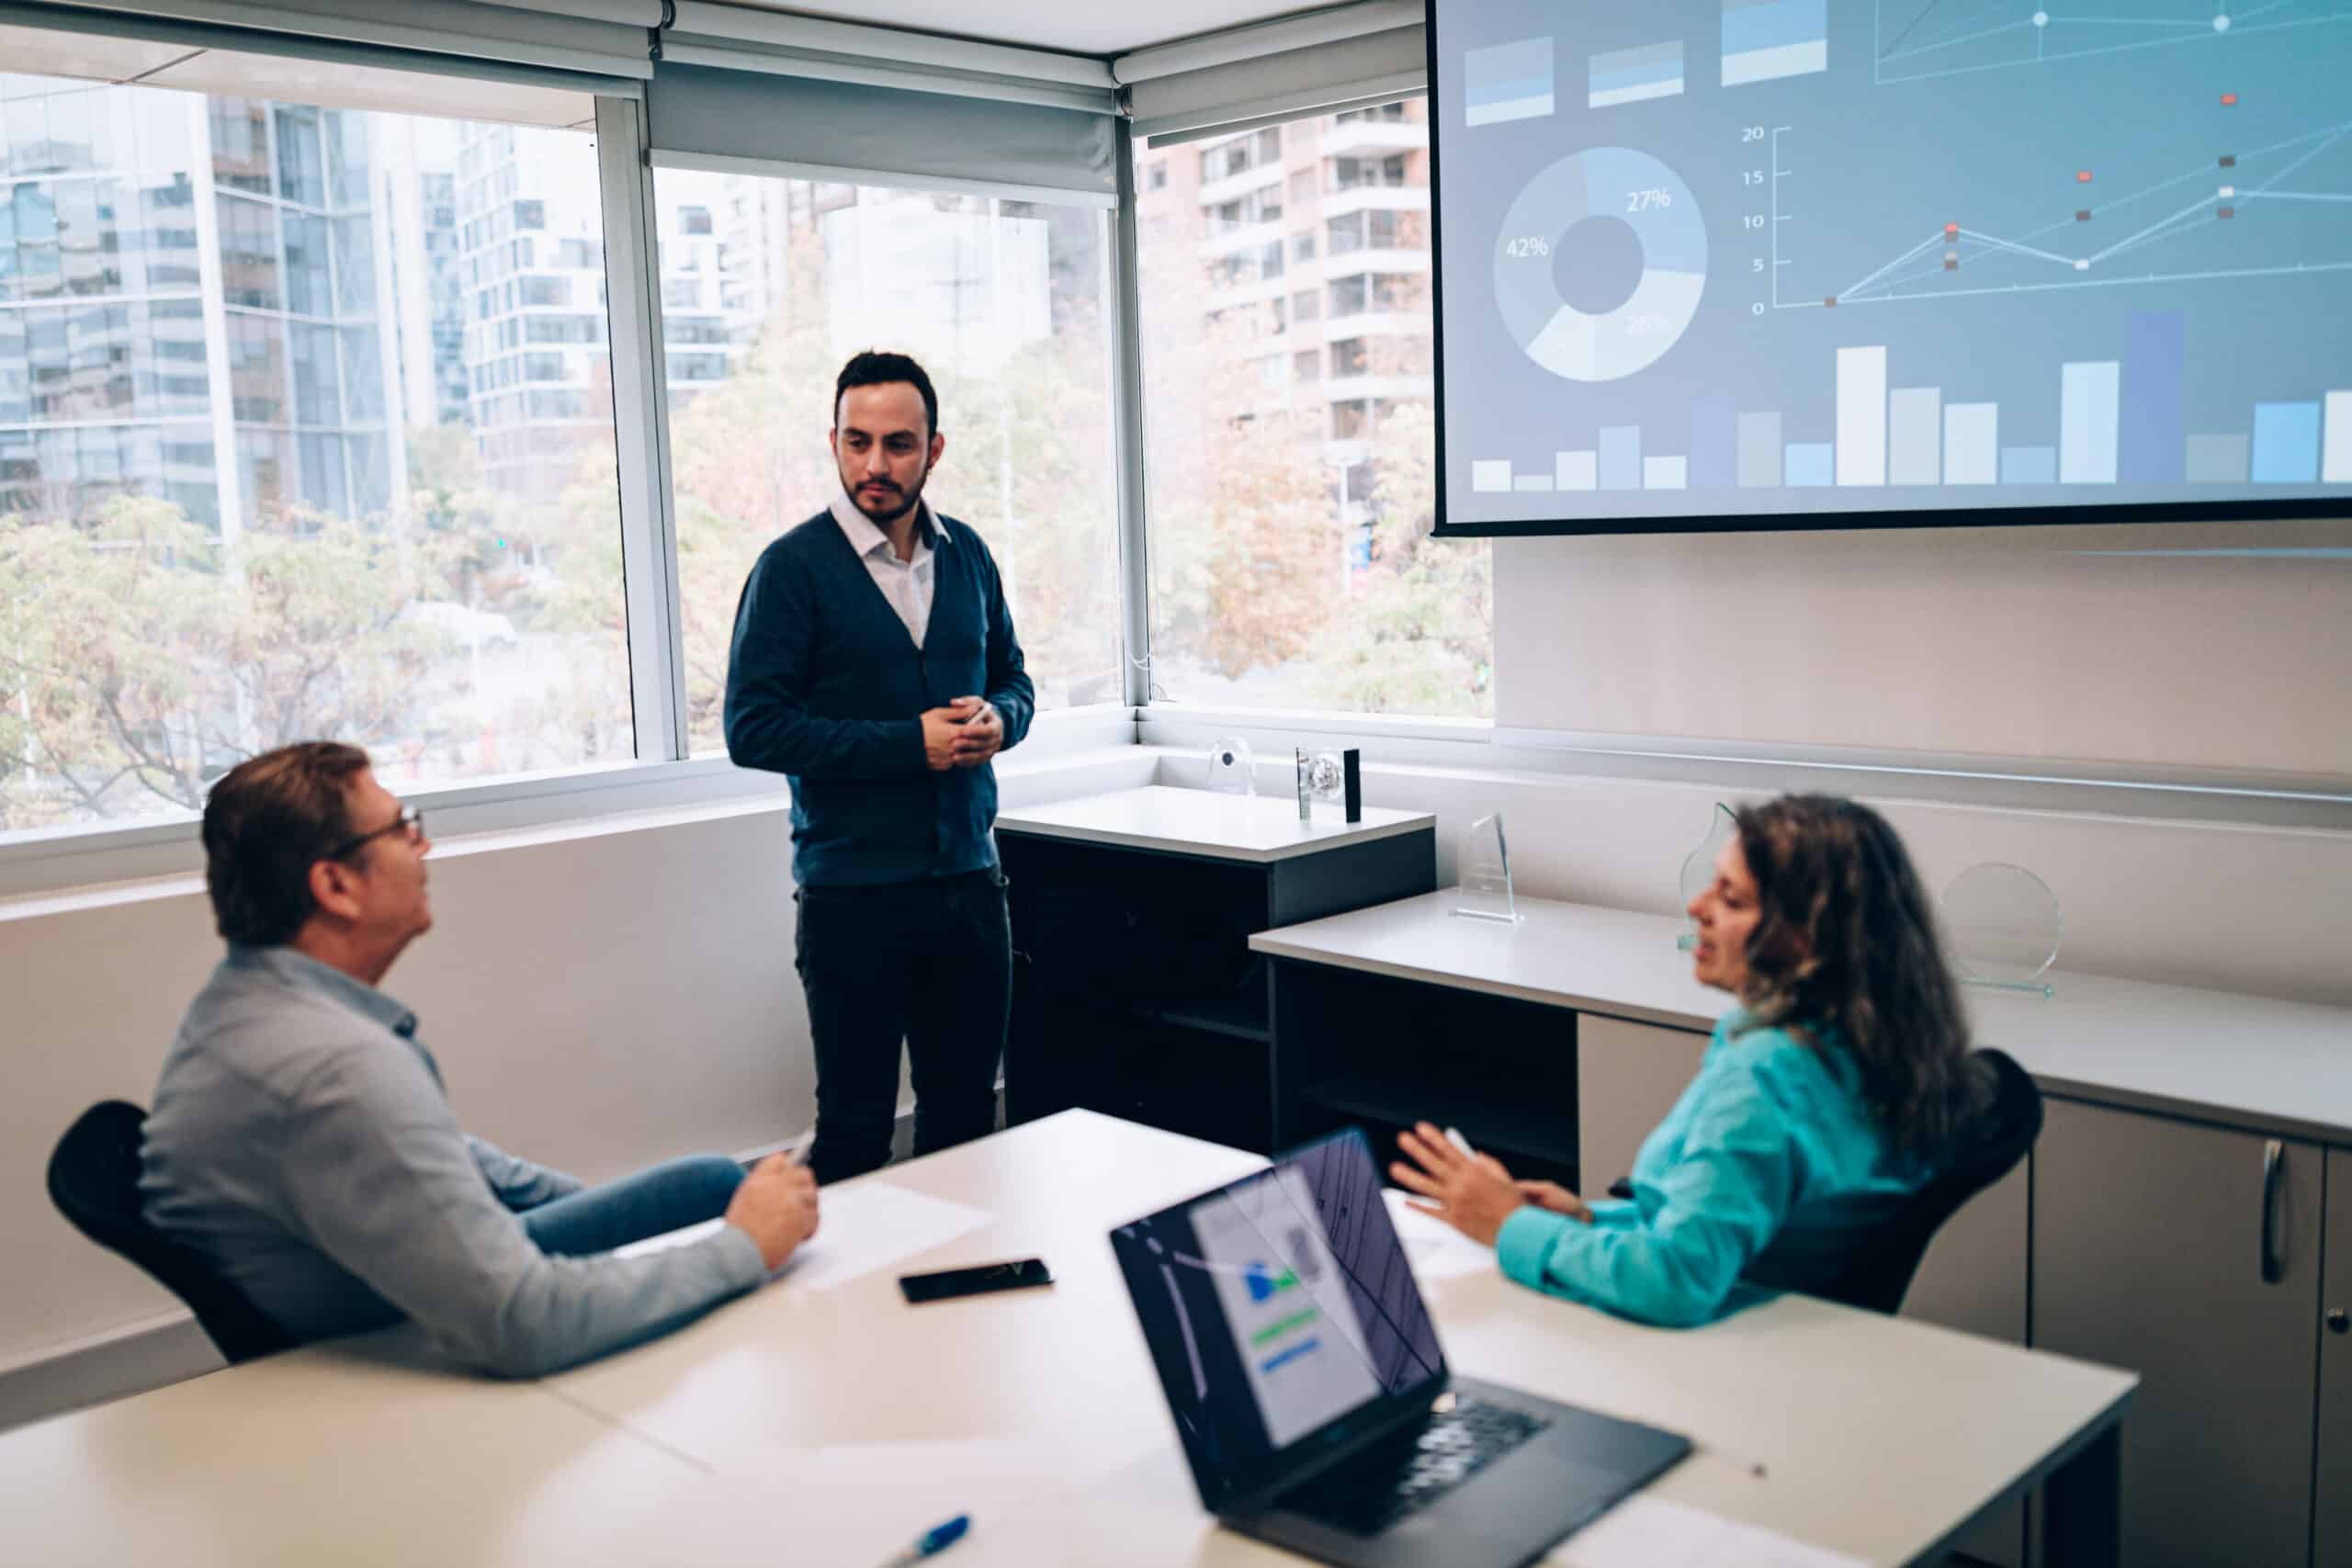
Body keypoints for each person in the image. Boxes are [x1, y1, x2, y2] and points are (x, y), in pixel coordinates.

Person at [141, 742, 821, 1377]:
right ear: (335, 886)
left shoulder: (244, 1003)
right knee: (722, 1210)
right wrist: (741, 1248)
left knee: (700, 1187)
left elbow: (447, 1156)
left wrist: (613, 1226)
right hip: (402, 1341)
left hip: (387, 1279)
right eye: (402, 829)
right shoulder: (333, 1070)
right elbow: (524, 1320)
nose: (423, 845)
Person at [1390, 794, 1981, 1326]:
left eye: (1731, 898)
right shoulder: (1864, 1044)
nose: (1697, 906)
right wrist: (1585, 1222)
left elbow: (1675, 1278)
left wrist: (1509, 1226)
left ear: (1806, 938)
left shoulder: (1768, 1077)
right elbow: (1737, 1225)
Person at [723, 350, 1034, 1186]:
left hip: (971, 885)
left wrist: (1003, 719)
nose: (875, 465)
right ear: (833, 441)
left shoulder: (966, 555)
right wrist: (909, 744)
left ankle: (961, 1302)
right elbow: (752, 729)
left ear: (934, 450)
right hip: (852, 897)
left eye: (898, 444)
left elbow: (1015, 678)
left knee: (968, 1120)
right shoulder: (792, 570)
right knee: (857, 1133)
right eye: (857, 442)